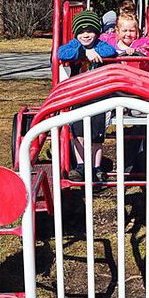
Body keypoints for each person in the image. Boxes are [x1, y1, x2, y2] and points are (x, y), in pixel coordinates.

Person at [58, 10, 116, 182]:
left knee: (97, 135)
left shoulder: (100, 44)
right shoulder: (73, 44)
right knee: (78, 132)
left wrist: (94, 51)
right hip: (79, 95)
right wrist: (84, 52)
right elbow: (61, 53)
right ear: (76, 33)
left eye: (90, 31)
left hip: (99, 95)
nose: (86, 35)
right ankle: (81, 165)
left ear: (97, 32)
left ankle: (96, 167)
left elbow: (110, 51)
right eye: (82, 32)